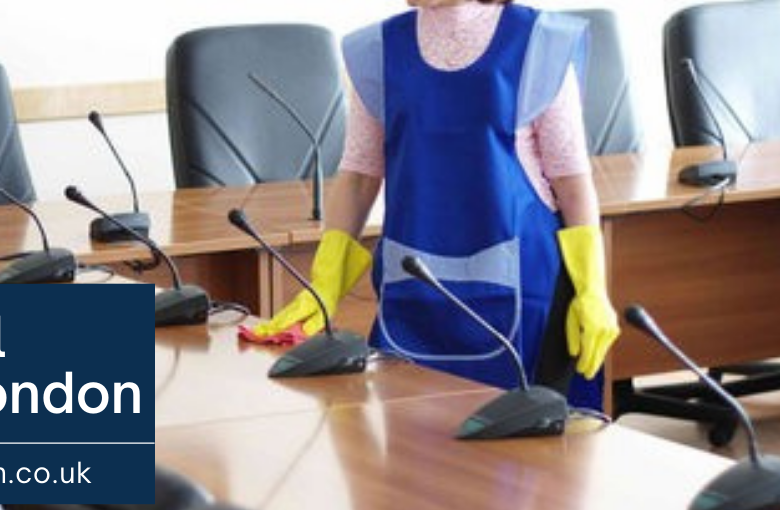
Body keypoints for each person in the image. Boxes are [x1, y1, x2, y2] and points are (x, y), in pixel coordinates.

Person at [246, 0, 619, 408]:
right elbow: (358, 176)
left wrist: (591, 289)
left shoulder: (539, 43)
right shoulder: (379, 50)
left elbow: (572, 183)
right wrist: (326, 281)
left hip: (527, 302)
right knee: (412, 455)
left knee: (526, 462)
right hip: (414, 298)